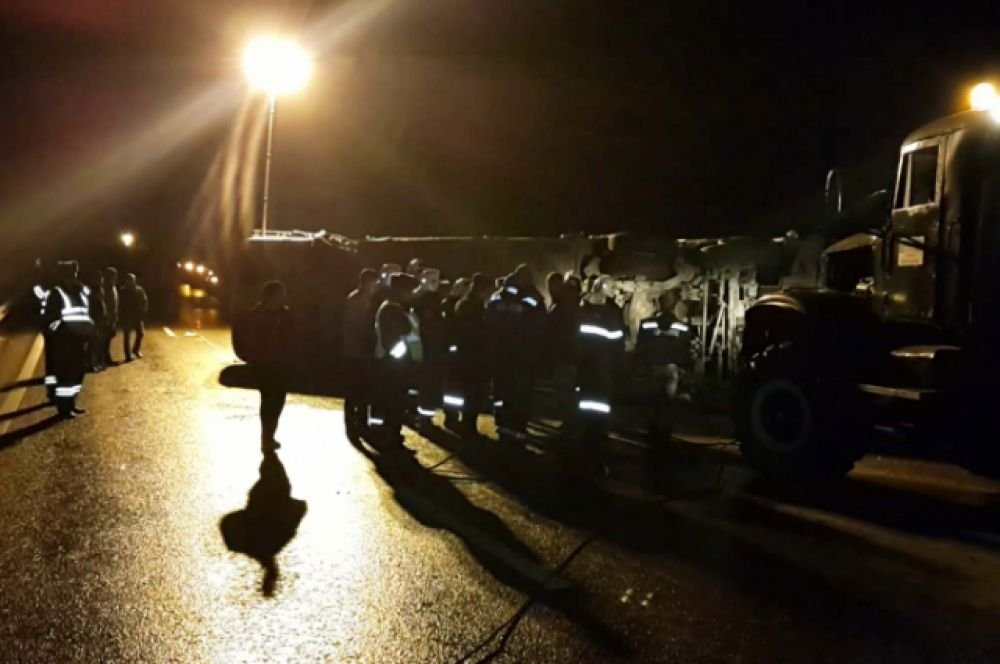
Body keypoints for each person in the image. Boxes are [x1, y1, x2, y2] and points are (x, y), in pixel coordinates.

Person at [233, 281, 294, 452]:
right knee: (268, 401)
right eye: (280, 295)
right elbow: (239, 335)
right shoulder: (255, 316)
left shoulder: (285, 315)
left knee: (278, 401)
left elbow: (294, 337)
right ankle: (267, 436)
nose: (283, 298)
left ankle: (269, 435)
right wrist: (247, 356)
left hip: (281, 365)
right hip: (264, 365)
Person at [486, 264, 544, 438]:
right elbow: (540, 326)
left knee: (501, 389)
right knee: (521, 392)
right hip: (523, 355)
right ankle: (517, 426)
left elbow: (487, 322)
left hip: (499, 353)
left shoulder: (497, 297)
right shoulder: (532, 298)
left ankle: (501, 422)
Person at [574, 275, 625, 463]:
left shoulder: (580, 308)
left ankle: (587, 431)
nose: (614, 291)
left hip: (584, 365)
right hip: (602, 365)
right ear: (603, 287)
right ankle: (597, 433)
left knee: (585, 399)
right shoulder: (611, 313)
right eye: (612, 287)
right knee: (601, 401)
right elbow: (617, 341)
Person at [372, 273, 422, 447]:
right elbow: (394, 340)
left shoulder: (398, 309)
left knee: (394, 402)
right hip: (393, 366)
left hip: (396, 365)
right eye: (410, 290)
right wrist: (402, 361)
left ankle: (391, 433)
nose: (413, 294)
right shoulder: (391, 310)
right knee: (392, 402)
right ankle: (388, 435)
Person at [636, 290, 694, 440]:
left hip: (652, 367)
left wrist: (639, 366)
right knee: (668, 402)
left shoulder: (646, 324)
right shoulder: (683, 327)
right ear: (675, 306)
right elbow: (686, 350)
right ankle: (665, 432)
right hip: (671, 369)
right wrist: (687, 370)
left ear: (659, 305)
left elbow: (640, 348)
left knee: (652, 400)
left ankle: (652, 430)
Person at [41, 261, 94, 418]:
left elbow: (87, 312)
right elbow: (50, 319)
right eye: (70, 272)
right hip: (65, 341)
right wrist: (59, 334)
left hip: (80, 339)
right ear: (63, 274)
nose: (73, 275)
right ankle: (63, 408)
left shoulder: (81, 291)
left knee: (78, 373)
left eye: (74, 272)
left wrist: (90, 328)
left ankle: (71, 403)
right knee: (66, 375)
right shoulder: (56, 293)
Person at [447, 273, 492, 434]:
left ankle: (454, 419)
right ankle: (467, 423)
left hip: (464, 354)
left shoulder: (464, 303)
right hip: (473, 355)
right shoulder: (475, 306)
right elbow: (478, 332)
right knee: (473, 392)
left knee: (461, 390)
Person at [342, 268, 379, 440]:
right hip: (355, 352)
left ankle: (361, 422)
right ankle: (352, 423)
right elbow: (356, 326)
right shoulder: (356, 300)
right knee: (354, 390)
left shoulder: (365, 299)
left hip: (360, 351)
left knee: (364, 390)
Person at [411, 268, 445, 420]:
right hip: (426, 348)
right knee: (427, 383)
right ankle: (423, 416)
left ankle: (421, 414)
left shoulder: (422, 298)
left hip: (427, 348)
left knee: (426, 383)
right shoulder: (425, 300)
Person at [440, 277, 471, 428]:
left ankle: (454, 415)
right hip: (452, 352)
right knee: (453, 386)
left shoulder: (463, 305)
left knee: (458, 386)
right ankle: (451, 416)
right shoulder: (448, 305)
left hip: (460, 351)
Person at [32, 258, 57, 401]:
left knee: (54, 361)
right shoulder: (44, 283)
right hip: (50, 324)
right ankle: (52, 391)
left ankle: (53, 391)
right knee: (53, 361)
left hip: (52, 323)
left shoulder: (44, 281)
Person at [119, 273, 148, 361]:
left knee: (140, 333)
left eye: (132, 280)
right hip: (127, 315)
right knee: (127, 336)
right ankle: (128, 355)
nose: (130, 282)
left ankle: (136, 349)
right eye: (129, 280)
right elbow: (120, 303)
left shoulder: (139, 290)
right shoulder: (123, 291)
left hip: (137, 315)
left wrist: (143, 311)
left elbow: (144, 300)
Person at [84, 270, 108, 372]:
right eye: (98, 279)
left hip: (100, 319)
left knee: (98, 342)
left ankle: (97, 362)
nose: (100, 280)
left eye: (101, 279)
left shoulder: (100, 289)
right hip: (93, 319)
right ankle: (91, 364)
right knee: (92, 343)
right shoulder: (90, 291)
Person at [102, 267, 119, 365]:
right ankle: (105, 359)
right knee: (105, 339)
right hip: (107, 317)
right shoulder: (106, 287)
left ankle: (106, 358)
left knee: (108, 338)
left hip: (112, 316)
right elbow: (106, 303)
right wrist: (107, 317)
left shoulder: (113, 287)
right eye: (113, 275)